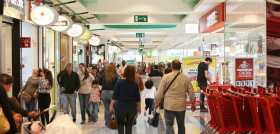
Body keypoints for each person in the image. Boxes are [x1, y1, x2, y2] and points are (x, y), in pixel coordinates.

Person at [155, 60, 196, 134]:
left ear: (172, 67)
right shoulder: (185, 78)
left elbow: (160, 91)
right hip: (181, 105)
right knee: (181, 125)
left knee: (169, 124)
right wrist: (193, 103)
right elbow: (191, 92)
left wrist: (157, 102)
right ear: (180, 67)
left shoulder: (166, 77)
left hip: (169, 105)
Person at [110, 65, 141, 134]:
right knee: (129, 125)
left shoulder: (119, 82)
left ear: (125, 72)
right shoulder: (135, 84)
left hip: (121, 107)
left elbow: (115, 96)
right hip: (132, 108)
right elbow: (138, 98)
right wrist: (139, 107)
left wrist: (111, 105)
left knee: (120, 125)